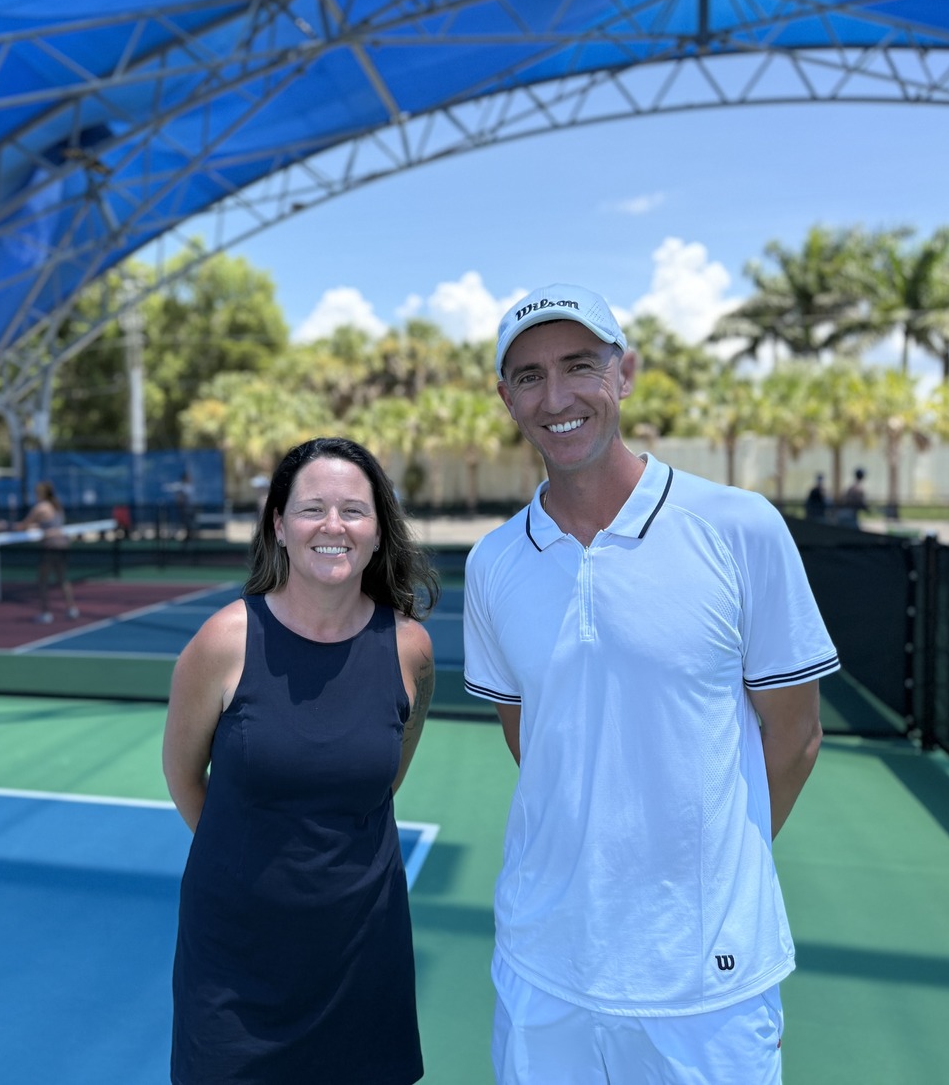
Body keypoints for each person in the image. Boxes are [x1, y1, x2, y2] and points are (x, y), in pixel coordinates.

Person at [463, 284, 839, 1084]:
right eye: (528, 376)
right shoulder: (492, 562)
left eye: (578, 366)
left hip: (706, 979)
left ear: (623, 373)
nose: (556, 397)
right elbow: (528, 734)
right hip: (542, 966)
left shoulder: (739, 526)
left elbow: (797, 736)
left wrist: (697, 870)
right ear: (505, 399)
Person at [163, 437, 437, 1085]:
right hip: (235, 966)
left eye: (353, 510)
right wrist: (254, 867)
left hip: (363, 960)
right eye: (312, 509)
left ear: (377, 532)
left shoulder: (410, 649)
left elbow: (385, 778)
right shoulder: (223, 641)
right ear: (279, 526)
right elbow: (182, 777)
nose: (333, 526)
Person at [18, 480, 78, 623]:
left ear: (41, 493)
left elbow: (22, 525)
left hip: (50, 546)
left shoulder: (41, 507)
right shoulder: (56, 505)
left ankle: (45, 613)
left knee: (43, 580)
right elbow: (46, 524)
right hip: (63, 545)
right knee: (62, 578)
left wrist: (3, 525)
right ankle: (72, 609)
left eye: (37, 492)